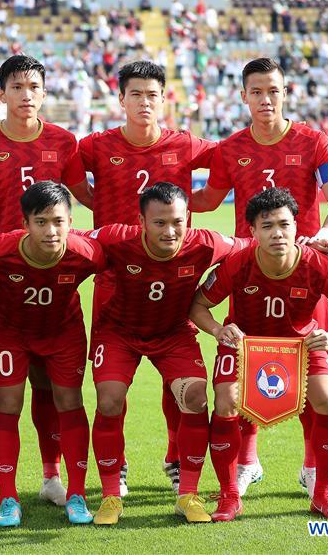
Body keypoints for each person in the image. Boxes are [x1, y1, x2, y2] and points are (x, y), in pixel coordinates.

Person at [191, 57, 328, 497]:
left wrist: (323, 237)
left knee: (313, 371)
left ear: (285, 93)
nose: (265, 99)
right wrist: (160, 193)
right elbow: (206, 200)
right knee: (244, 362)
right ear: (243, 96)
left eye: (273, 91)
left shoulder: (314, 141)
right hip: (247, 273)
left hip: (302, 267)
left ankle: (312, 466)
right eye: (256, 91)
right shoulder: (229, 148)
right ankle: (246, 462)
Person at [0, 54, 91, 505]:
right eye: (17, 87)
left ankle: (51, 476)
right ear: (1, 93)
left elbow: (85, 200)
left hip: (52, 283)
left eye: (34, 87)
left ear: (44, 93)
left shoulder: (65, 142)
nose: (26, 95)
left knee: (50, 382)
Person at [190, 187, 328, 521]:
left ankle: (322, 494)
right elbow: (198, 305)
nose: (278, 233)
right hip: (246, 346)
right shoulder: (237, 263)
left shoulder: (316, 263)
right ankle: (229, 495)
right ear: (253, 231)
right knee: (225, 400)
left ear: (296, 227)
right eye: (268, 225)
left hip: (299, 347)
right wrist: (218, 330)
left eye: (285, 224)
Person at [74, 60, 215, 493]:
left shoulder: (184, 144)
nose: (144, 102)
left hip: (173, 282)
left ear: (163, 98)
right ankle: (116, 470)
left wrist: (203, 202)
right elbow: (65, 174)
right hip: (115, 282)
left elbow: (233, 161)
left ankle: (176, 458)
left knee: (182, 384)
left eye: (152, 94)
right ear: (121, 99)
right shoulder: (96, 146)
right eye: (135, 94)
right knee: (112, 391)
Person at [86, 182, 245, 525]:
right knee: (109, 399)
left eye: (177, 221)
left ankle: (187, 494)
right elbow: (73, 241)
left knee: (195, 395)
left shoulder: (205, 243)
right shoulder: (116, 238)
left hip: (174, 332)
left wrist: (309, 246)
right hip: (118, 332)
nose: (170, 231)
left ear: (188, 216)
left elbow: (249, 247)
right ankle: (111, 496)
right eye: (159, 223)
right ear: (141, 221)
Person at [0, 182, 104, 527]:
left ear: (71, 221)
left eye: (59, 221)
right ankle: (9, 498)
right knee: (7, 403)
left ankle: (75, 494)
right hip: (10, 333)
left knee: (69, 401)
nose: (51, 230)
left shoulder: (87, 254)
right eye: (41, 222)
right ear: (25, 223)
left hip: (63, 332)